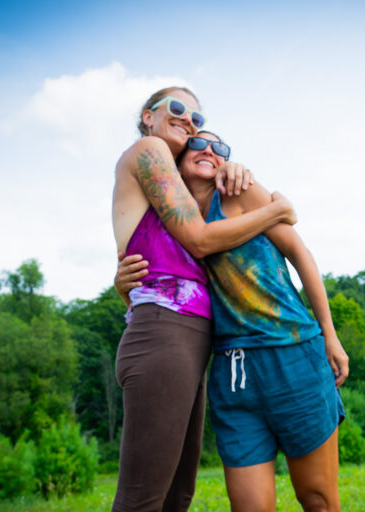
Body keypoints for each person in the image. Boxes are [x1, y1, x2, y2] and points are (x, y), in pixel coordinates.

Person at [116, 130, 349, 511]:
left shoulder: (240, 192)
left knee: (318, 499)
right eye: (198, 143)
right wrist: (120, 282)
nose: (209, 149)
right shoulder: (169, 222)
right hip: (232, 371)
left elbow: (300, 253)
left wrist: (330, 334)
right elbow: (157, 282)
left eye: (220, 147)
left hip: (292, 352)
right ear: (176, 161)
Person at [111, 87, 296, 512]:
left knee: (176, 496)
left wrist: (230, 170)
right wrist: (276, 210)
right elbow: (197, 240)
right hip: (165, 336)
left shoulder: (176, 184)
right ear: (147, 116)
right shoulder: (149, 149)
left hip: (188, 341)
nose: (189, 120)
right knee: (143, 499)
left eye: (197, 118)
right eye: (177, 108)